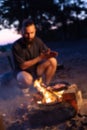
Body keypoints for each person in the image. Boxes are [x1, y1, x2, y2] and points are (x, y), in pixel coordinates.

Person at [12, 18, 58, 89]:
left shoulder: (38, 41)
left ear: (35, 31)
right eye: (26, 33)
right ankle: (25, 91)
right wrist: (40, 58)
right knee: (25, 79)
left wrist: (49, 54)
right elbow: (22, 66)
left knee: (53, 61)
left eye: (32, 33)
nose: (30, 36)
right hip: (22, 72)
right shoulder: (16, 46)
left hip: (36, 70)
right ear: (22, 32)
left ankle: (46, 86)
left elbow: (45, 53)